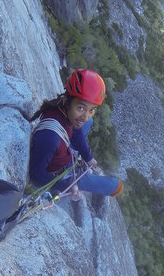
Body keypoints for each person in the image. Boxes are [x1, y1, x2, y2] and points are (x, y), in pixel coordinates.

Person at [29, 69, 123, 200]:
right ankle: (104, 185)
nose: (85, 115)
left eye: (92, 110)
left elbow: (76, 130)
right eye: (81, 108)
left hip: (62, 148)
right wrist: (66, 184)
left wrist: (88, 156)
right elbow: (36, 174)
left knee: (88, 122)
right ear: (67, 100)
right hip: (59, 171)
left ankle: (79, 158)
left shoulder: (61, 108)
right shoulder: (50, 139)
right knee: (116, 187)